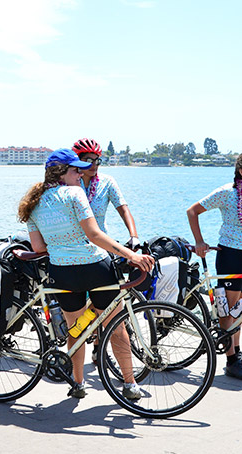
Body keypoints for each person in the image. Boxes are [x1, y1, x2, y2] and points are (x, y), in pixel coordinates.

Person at [17, 148, 154, 399]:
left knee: (76, 329)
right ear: (61, 173)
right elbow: (94, 235)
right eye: (75, 170)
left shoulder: (33, 204)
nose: (81, 174)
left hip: (62, 272)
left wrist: (62, 245)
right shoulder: (75, 193)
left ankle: (78, 383)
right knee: (116, 325)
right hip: (94, 267)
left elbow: (37, 247)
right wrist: (131, 255)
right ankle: (129, 383)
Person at [186, 150, 242, 381]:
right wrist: (199, 241)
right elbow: (193, 211)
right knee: (228, 308)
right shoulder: (227, 193)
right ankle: (230, 360)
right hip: (232, 256)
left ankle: (236, 350)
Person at [72, 138, 141, 364]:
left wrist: (134, 236)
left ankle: (98, 346)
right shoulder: (70, 182)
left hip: (102, 249)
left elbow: (124, 209)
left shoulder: (107, 182)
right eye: (88, 160)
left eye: (97, 160)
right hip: (73, 251)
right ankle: (86, 337)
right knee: (82, 305)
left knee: (107, 302)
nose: (94, 164)